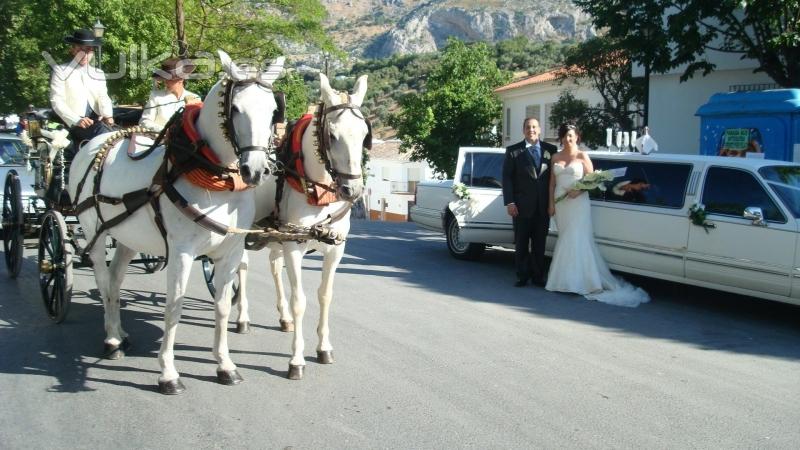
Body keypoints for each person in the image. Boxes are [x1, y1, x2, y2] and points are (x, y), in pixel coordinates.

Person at [545, 123, 649, 307]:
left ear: (577, 136)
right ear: (561, 138)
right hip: (561, 204)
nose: (569, 139)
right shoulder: (555, 157)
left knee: (576, 238)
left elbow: (593, 181)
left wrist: (578, 191)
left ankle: (583, 282)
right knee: (565, 237)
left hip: (578, 203)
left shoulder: (583, 155)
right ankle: (565, 281)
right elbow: (552, 184)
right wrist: (551, 204)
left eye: (572, 135)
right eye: (565, 136)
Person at [502, 117, 557, 287]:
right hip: (521, 206)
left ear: (540, 130)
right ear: (523, 130)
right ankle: (522, 275)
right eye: (528, 127)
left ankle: (538, 276)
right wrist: (510, 202)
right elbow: (507, 178)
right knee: (522, 243)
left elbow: (554, 178)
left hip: (542, 206)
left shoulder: (551, 150)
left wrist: (552, 203)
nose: (531, 130)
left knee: (540, 244)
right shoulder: (513, 151)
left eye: (534, 127)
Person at [49, 28, 115, 152]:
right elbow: (57, 102)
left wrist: (108, 116)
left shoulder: (98, 73)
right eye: (80, 50)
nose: (85, 55)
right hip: (74, 125)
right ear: (73, 50)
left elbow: (103, 97)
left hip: (97, 123)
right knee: (104, 133)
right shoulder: (60, 71)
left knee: (120, 134)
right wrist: (76, 120)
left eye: (89, 50)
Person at [139, 57, 200, 131]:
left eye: (170, 79)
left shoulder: (195, 98)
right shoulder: (156, 96)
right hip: (157, 140)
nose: (166, 82)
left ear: (181, 79)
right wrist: (164, 131)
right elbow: (144, 121)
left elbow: (197, 125)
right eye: (164, 79)